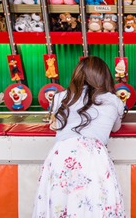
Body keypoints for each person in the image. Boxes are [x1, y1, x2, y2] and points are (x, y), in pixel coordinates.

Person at [32, 56, 125, 218]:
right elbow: (115, 127)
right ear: (105, 77)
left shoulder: (60, 97)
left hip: (61, 155)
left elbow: (55, 123)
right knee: (95, 206)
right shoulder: (114, 101)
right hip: (93, 157)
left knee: (59, 206)